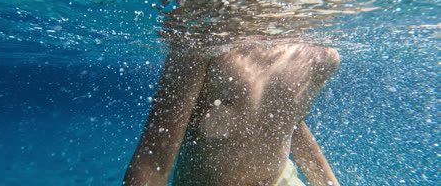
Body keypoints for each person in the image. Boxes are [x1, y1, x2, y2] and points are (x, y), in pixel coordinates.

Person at [122, 40, 340, 186]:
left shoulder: (322, 57)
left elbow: (288, 122)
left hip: (280, 179)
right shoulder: (203, 43)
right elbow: (155, 156)